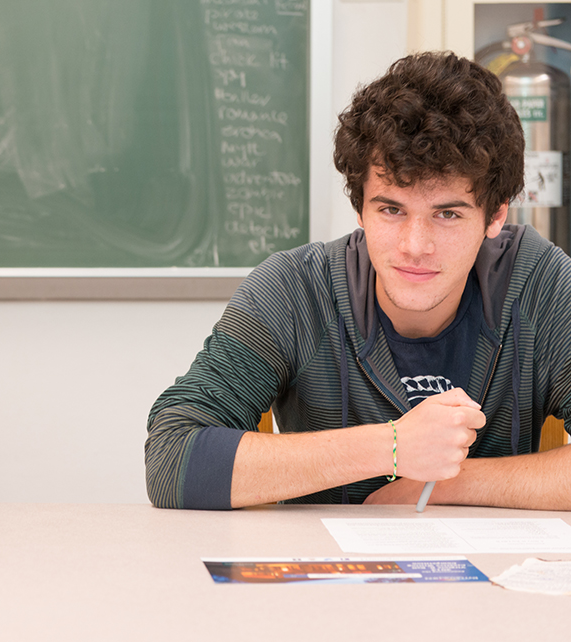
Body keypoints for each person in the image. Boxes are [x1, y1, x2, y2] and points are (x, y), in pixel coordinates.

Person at [146, 51, 571, 510]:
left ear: (496, 215)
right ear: (360, 207)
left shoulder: (540, 285)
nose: (414, 245)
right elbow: (173, 458)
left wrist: (448, 483)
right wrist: (392, 446)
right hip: (327, 576)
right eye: (391, 209)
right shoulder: (293, 291)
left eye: (447, 214)